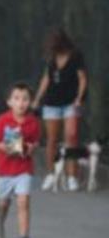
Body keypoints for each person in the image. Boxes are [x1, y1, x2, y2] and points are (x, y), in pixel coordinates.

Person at [31, 28, 88, 191]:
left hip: (71, 103)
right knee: (52, 139)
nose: (52, 49)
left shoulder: (76, 56)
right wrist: (37, 99)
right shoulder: (51, 58)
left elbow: (82, 78)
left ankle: (72, 177)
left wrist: (79, 98)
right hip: (51, 103)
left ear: (62, 43)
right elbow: (46, 78)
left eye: (55, 45)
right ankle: (50, 173)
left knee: (71, 136)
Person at [0, 82, 41, 238]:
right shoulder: (2, 120)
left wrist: (30, 148)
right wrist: (3, 147)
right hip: (4, 169)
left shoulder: (33, 122)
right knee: (2, 204)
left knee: (23, 201)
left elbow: (35, 142)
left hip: (24, 168)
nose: (21, 103)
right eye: (17, 98)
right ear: (9, 102)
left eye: (25, 99)